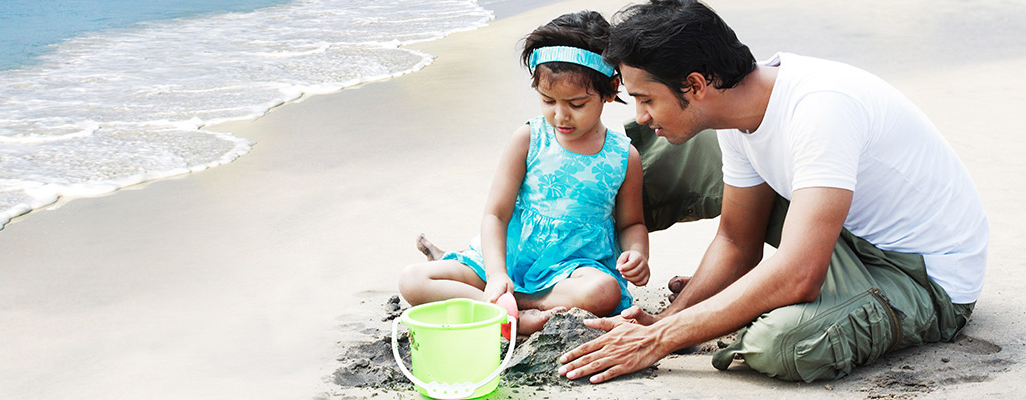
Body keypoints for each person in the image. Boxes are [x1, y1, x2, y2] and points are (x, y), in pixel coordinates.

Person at [557, 0, 989, 383]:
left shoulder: (819, 108)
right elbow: (736, 241)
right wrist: (667, 322)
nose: (643, 114)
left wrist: (661, 340)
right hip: (844, 235)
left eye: (646, 99)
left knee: (779, 344)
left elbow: (801, 274)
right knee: (665, 151)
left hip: (918, 277)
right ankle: (550, 247)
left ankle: (757, 299)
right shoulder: (737, 110)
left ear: (695, 84)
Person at [398, 11, 651, 334]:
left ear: (611, 89)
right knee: (413, 279)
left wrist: (637, 254)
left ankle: (506, 308)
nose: (560, 115)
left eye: (576, 104)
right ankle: (507, 306)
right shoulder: (529, 138)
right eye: (548, 100)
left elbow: (632, 223)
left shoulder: (622, 156)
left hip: (571, 271)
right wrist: (497, 274)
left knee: (603, 292)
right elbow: (496, 214)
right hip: (511, 259)